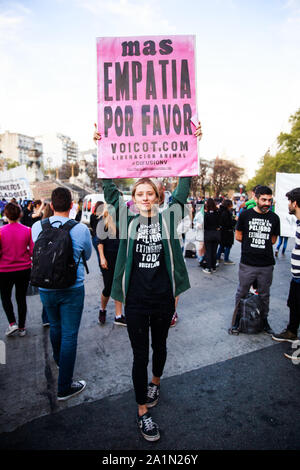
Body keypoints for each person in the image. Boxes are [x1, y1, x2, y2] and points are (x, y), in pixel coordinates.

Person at [94, 122, 202, 442]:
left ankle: (156, 382)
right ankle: (143, 411)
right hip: (137, 302)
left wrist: (193, 145)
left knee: (161, 347)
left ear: (157, 197)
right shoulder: (125, 218)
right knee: (139, 354)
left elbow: (184, 186)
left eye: (149, 193)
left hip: (163, 298)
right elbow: (110, 189)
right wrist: (101, 147)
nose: (144, 197)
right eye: (139, 193)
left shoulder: (169, 217)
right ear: (134, 197)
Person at [32, 187, 92, 401]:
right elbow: (87, 254)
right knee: (69, 334)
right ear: (71, 206)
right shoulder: (81, 229)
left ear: (50, 206)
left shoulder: (37, 226)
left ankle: (59, 359)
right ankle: (64, 387)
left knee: (55, 326)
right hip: (72, 288)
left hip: (45, 287)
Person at [233, 185, 280, 335]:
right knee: (242, 292)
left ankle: (264, 320)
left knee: (265, 295)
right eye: (264, 199)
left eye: (269, 200)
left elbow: (273, 240)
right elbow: (238, 236)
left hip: (266, 264)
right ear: (256, 198)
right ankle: (237, 321)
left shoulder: (274, 218)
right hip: (248, 263)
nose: (267, 203)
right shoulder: (245, 215)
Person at [272, 188, 300, 361]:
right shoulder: (298, 223)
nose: (288, 204)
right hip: (296, 277)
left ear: (295, 203)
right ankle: (291, 332)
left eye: (289, 201)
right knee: (294, 305)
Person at [0, 202, 34, 337]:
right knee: (21, 298)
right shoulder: (28, 230)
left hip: (4, 270)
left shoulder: (1, 232)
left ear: (5, 215)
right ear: (20, 214)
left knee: (6, 297)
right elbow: (32, 252)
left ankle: (12, 323)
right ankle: (22, 327)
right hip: (24, 269)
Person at [97, 203, 125, 326]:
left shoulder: (123, 222)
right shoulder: (103, 223)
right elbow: (100, 243)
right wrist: (102, 258)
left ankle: (118, 316)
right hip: (107, 259)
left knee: (118, 285)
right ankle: (102, 310)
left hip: (120, 258)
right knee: (108, 287)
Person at [40, 203, 54, 327]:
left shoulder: (38, 226)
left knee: (47, 291)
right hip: (59, 266)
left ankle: (46, 318)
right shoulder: (63, 225)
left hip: (44, 266)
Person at [203, 198, 221, 274]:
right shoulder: (217, 213)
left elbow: (205, 225)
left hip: (208, 234)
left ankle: (208, 267)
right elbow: (220, 223)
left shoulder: (206, 214)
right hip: (216, 234)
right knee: (214, 251)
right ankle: (213, 267)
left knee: (208, 251)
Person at [216, 199, 236, 265]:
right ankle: (226, 259)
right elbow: (228, 224)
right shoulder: (226, 213)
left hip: (222, 231)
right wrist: (235, 220)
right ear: (228, 205)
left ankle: (218, 258)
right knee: (228, 246)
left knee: (221, 245)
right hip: (227, 232)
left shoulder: (220, 211)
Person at [90, 201, 104, 267]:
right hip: (100, 237)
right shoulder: (103, 217)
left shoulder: (92, 216)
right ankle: (102, 267)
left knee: (99, 254)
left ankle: (101, 267)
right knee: (102, 254)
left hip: (94, 237)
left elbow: (92, 225)